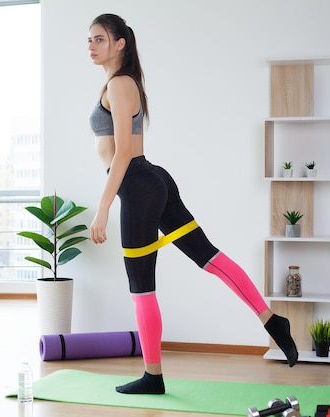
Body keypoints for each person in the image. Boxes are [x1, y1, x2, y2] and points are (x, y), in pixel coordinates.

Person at [87, 13, 298, 395]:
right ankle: (271, 320)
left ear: (120, 44)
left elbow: (119, 156)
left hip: (136, 185)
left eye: (99, 39)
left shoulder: (118, 85)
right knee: (208, 256)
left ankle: (153, 377)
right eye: (89, 39)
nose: (91, 45)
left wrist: (103, 207)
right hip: (155, 180)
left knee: (142, 287)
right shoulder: (125, 83)